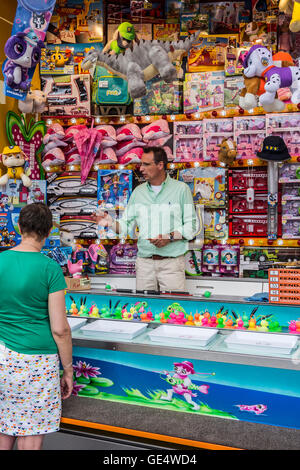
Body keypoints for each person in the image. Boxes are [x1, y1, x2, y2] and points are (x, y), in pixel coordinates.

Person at [0, 203, 73, 451]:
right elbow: (60, 329)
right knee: (30, 433)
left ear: (19, 227)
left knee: (4, 425)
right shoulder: (50, 268)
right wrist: (68, 370)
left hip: (2, 356)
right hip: (37, 361)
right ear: (49, 230)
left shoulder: (1, 260)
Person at [93, 147, 199, 291]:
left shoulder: (181, 189)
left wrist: (169, 237)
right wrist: (109, 222)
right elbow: (125, 226)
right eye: (141, 164)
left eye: (146, 164)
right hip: (144, 265)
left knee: (175, 309)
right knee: (144, 309)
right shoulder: (138, 192)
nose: (141, 169)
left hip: (171, 264)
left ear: (160, 165)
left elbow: (191, 227)